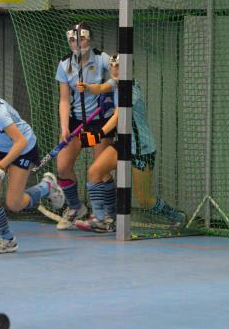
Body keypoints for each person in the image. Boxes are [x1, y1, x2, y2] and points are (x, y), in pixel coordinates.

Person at [74, 54, 187, 232]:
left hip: (141, 148)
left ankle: (176, 216)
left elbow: (118, 116)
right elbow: (101, 87)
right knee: (95, 171)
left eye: (118, 66)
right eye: (112, 66)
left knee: (144, 199)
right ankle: (101, 219)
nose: (114, 69)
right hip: (124, 142)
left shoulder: (131, 89)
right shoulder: (116, 83)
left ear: (129, 68)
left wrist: (99, 134)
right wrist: (87, 87)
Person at [0, 71, 65, 254]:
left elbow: (20, 141)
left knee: (14, 204)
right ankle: (8, 240)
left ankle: (47, 187)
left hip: (23, 147)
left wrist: (1, 166)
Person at [54, 21, 117, 230]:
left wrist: (105, 87)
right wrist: (64, 127)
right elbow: (64, 99)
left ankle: (109, 215)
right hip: (76, 123)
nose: (77, 44)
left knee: (100, 169)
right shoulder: (65, 64)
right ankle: (75, 207)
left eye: (81, 39)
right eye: (73, 40)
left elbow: (119, 74)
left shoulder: (101, 58)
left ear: (89, 39)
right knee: (62, 166)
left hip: (100, 121)